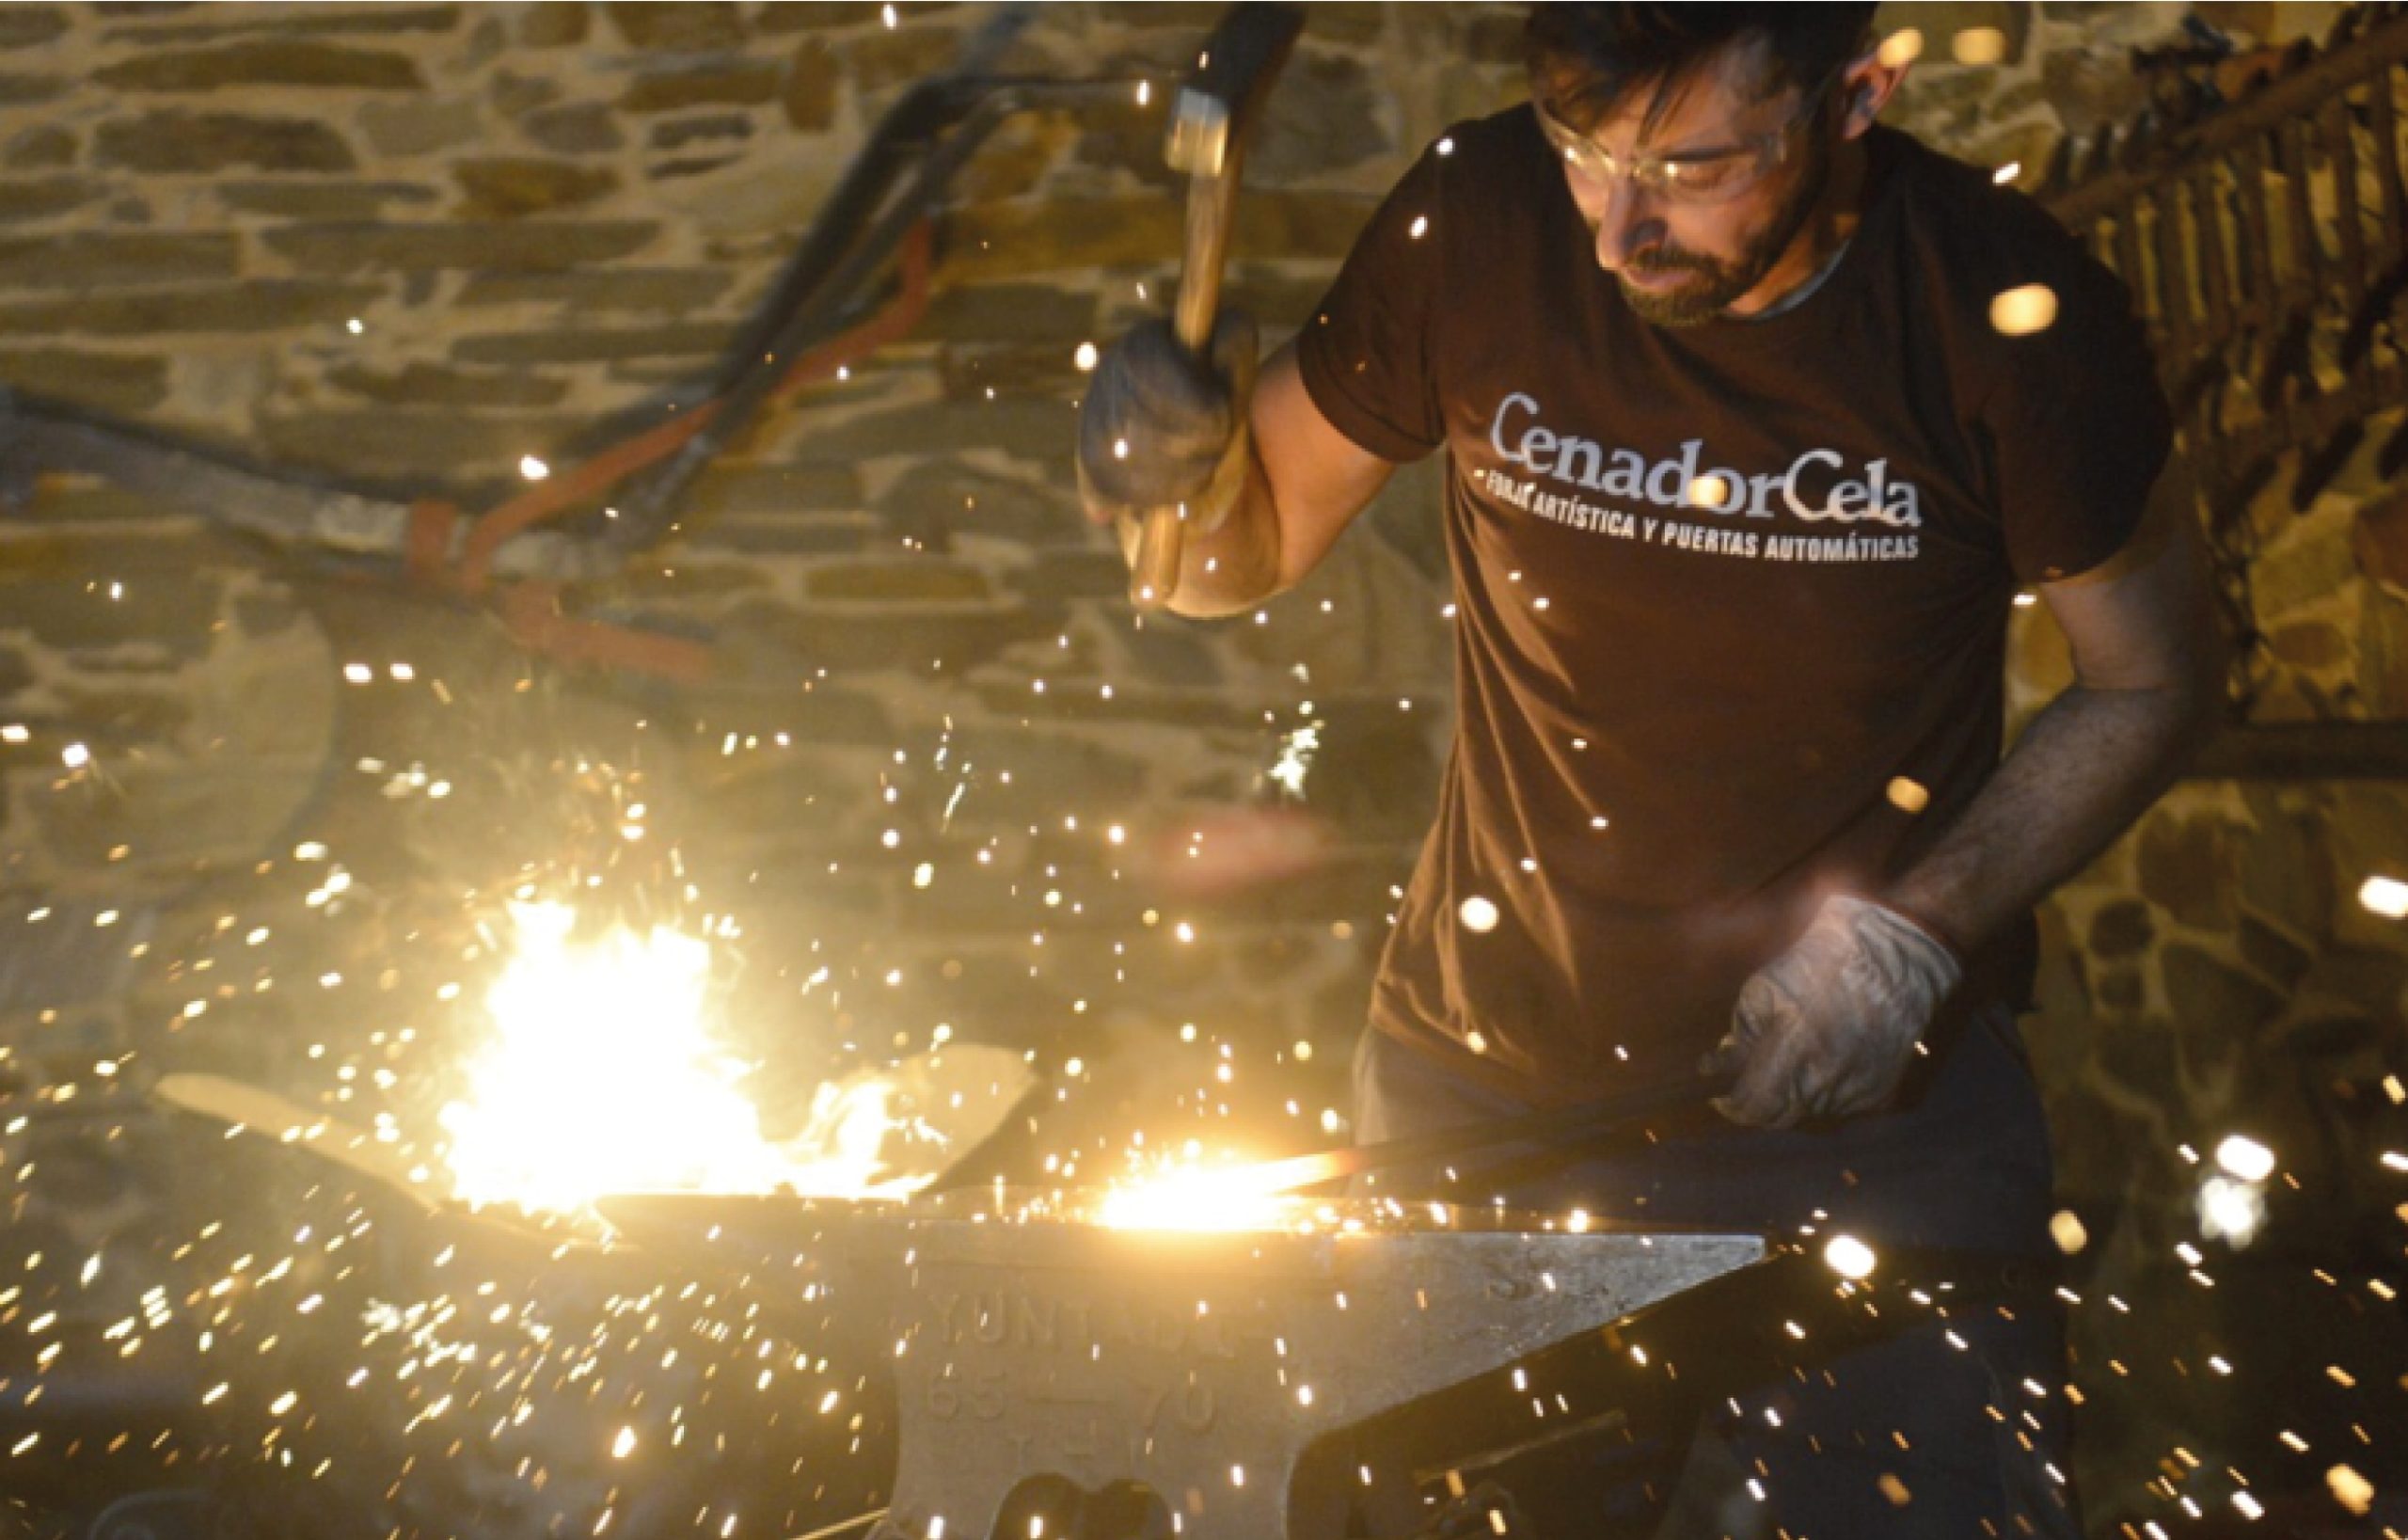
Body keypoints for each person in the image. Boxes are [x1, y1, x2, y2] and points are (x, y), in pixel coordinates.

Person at [1078, 5, 2225, 1535]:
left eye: (1693, 169)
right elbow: (1246, 548)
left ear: (1857, 98)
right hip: (1484, 1097)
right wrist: (1165, 488)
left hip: (1875, 1138)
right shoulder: (1478, 219)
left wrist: (1915, 935)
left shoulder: (1998, 305)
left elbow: (2159, 679)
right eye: (1586, 154)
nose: (1623, 230)